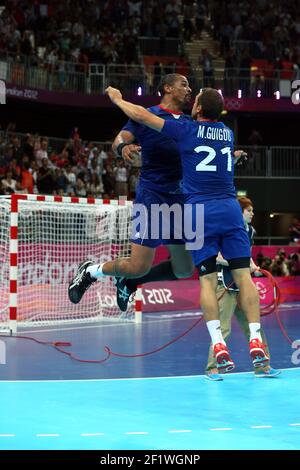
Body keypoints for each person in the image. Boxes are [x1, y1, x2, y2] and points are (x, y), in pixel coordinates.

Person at [103, 85, 270, 373]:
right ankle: (255, 338)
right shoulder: (228, 135)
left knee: (205, 281)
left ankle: (218, 343)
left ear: (198, 110)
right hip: (229, 208)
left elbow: (142, 116)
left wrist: (117, 99)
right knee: (244, 278)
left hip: (199, 211)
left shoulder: (187, 131)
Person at [68, 74, 195, 310]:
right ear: (167, 88)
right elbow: (119, 141)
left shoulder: (189, 122)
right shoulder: (148, 115)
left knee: (185, 269)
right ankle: (91, 271)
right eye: (184, 84)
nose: (189, 89)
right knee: (139, 265)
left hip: (181, 199)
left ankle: (130, 283)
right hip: (153, 196)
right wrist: (124, 148)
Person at [205, 197, 281, 380]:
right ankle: (212, 368)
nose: (253, 213)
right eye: (249, 210)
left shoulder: (250, 231)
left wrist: (252, 266)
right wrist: (240, 266)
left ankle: (262, 367)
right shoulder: (226, 229)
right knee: (223, 329)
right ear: (239, 212)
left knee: (254, 327)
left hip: (243, 287)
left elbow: (245, 254)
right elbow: (216, 257)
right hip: (226, 284)